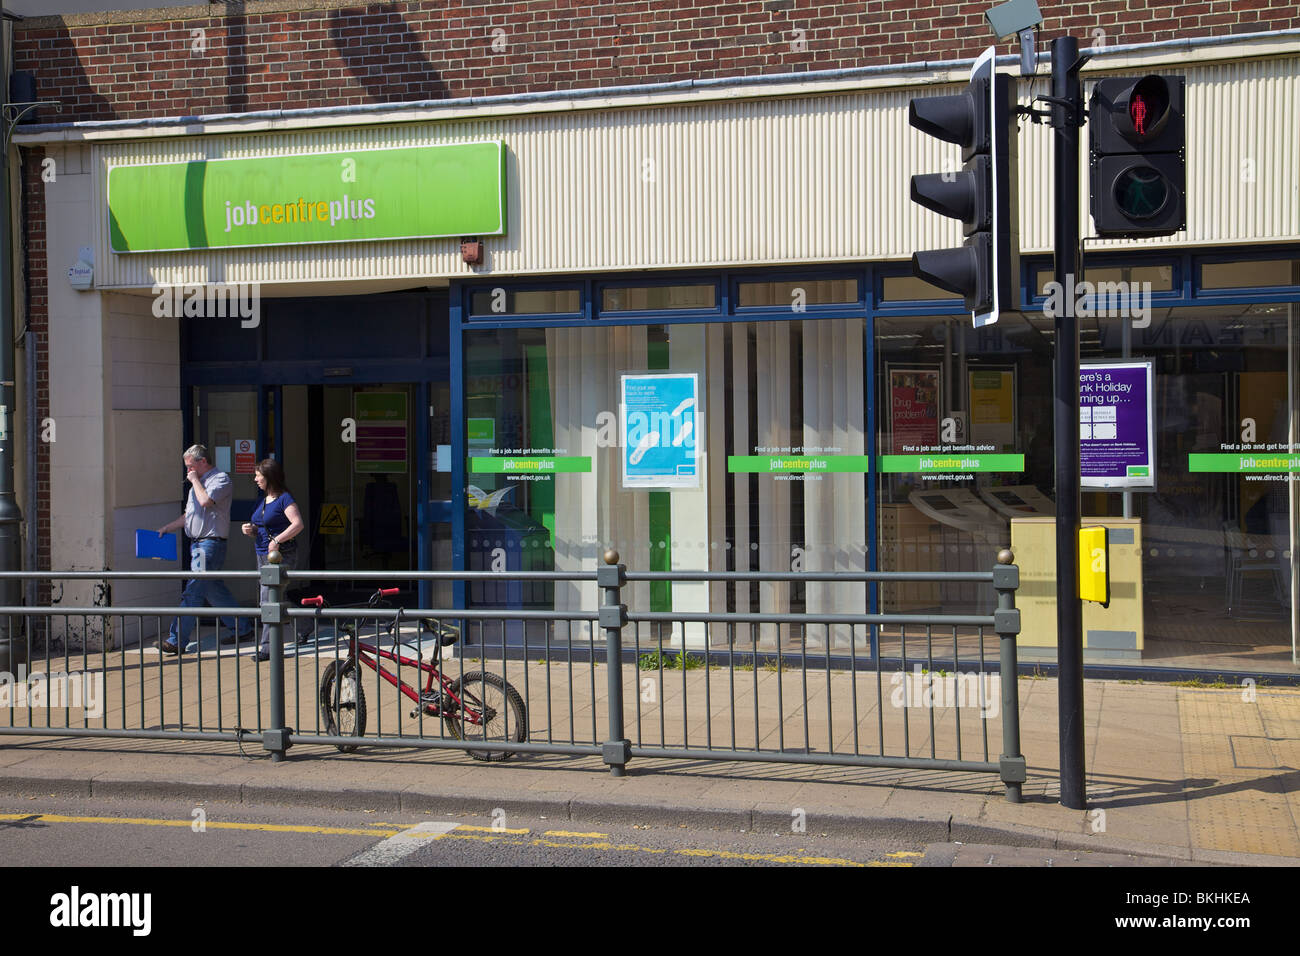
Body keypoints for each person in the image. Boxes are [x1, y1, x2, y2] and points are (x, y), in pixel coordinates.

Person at [157, 444, 251, 654]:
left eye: (190, 466)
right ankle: (242, 627)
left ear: (203, 462)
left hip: (210, 544)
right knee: (212, 589)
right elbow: (189, 515)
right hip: (197, 544)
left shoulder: (220, 480)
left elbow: (206, 501)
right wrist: (168, 528)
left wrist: (194, 481)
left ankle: (176, 640)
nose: (188, 471)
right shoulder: (195, 484)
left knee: (193, 590)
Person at [242, 458, 305, 661]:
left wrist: (277, 539)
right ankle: (306, 625)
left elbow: (297, 524)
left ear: (269, 477)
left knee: (267, 600)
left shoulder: (284, 498)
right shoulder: (263, 500)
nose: (255, 479)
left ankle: (267, 648)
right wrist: (251, 530)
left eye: (258, 476)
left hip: (281, 556)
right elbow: (261, 525)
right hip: (262, 553)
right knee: (276, 598)